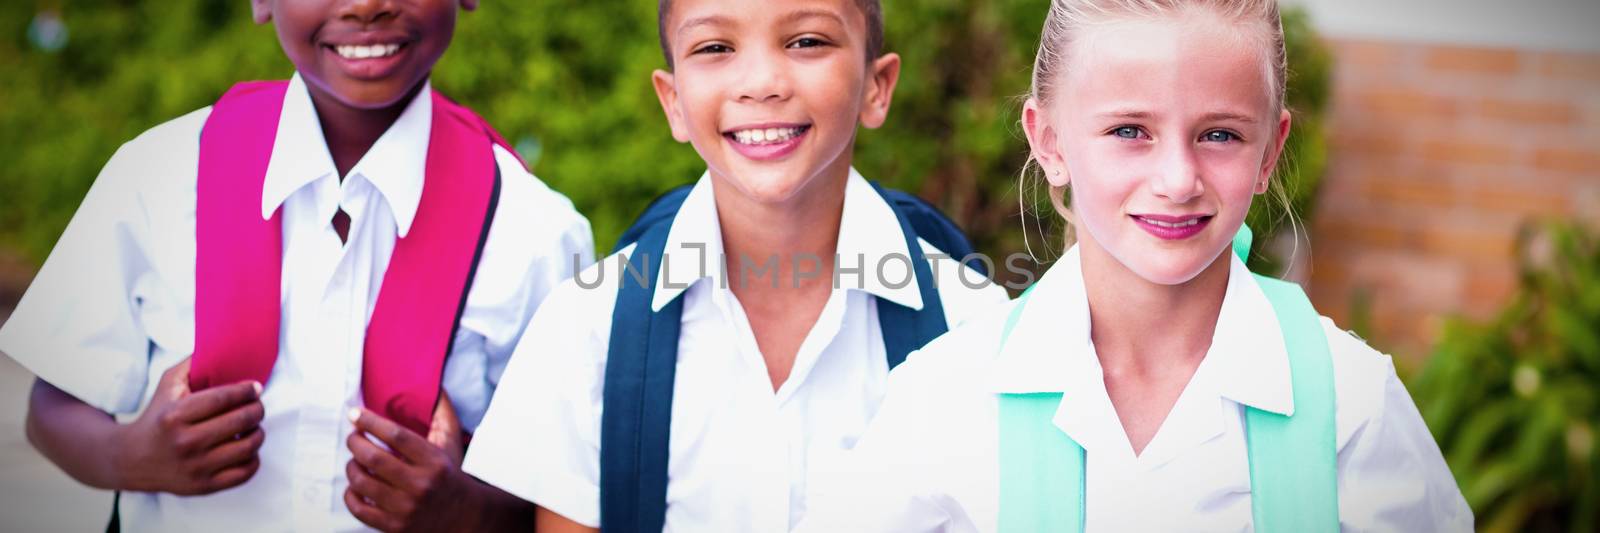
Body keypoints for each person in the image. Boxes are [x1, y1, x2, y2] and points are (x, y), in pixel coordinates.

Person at [796, 0, 1473, 531]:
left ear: (1271, 150)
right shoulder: (951, 396)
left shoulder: (1350, 403)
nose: (1177, 178)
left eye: (1220, 135)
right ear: (1050, 141)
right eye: (1130, 131)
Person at [1, 1, 593, 531]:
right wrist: (128, 456)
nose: (366, 6)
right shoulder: (156, 177)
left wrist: (467, 511)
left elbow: (566, 489)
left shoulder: (536, 231)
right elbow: (53, 407)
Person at [461, 0, 1009, 531]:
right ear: (672, 100)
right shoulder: (588, 326)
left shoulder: (975, 324)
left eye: (807, 41)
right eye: (716, 46)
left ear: (876, 86)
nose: (762, 81)